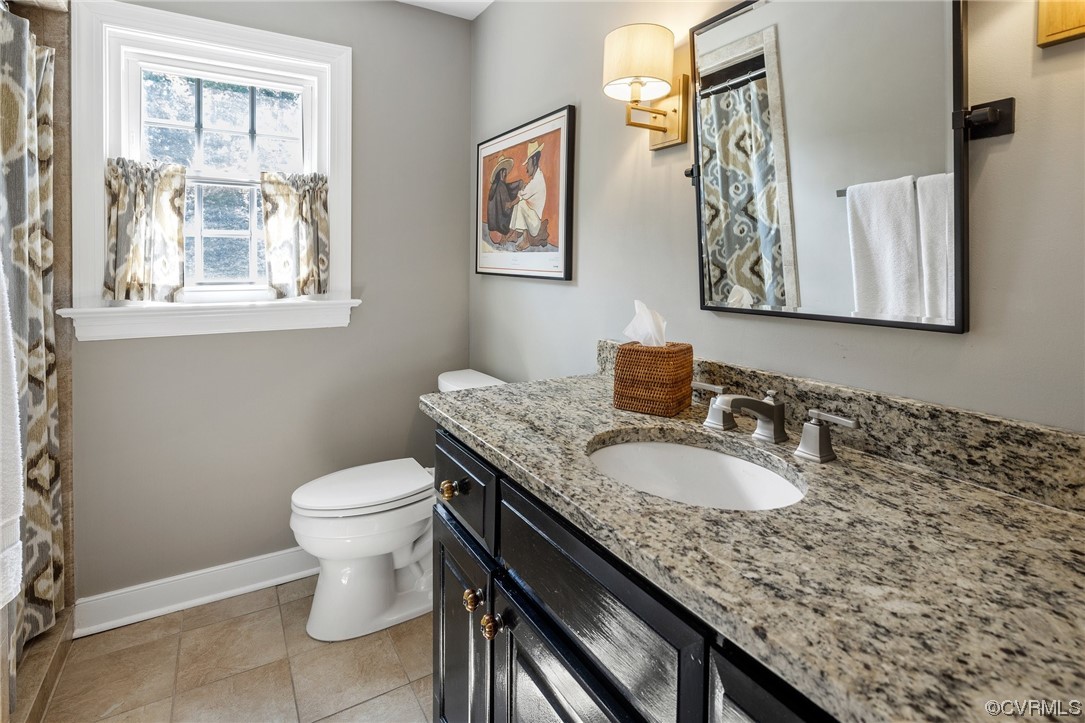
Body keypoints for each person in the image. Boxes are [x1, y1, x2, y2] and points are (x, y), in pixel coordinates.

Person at [503, 139, 549, 250]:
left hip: (535, 225)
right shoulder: (537, 177)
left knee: (521, 203)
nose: (526, 167)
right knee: (521, 203)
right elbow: (524, 191)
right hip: (532, 222)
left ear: (533, 160)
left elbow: (521, 196)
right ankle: (514, 234)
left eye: (527, 163)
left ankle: (526, 240)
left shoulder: (537, 180)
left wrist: (509, 205)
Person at [486, 155, 522, 243]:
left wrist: (519, 183)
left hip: (492, 229)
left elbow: (509, 188)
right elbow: (506, 208)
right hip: (499, 230)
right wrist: (515, 201)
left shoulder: (495, 186)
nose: (506, 175)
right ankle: (510, 235)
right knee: (519, 204)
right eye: (505, 173)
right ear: (502, 173)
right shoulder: (501, 186)